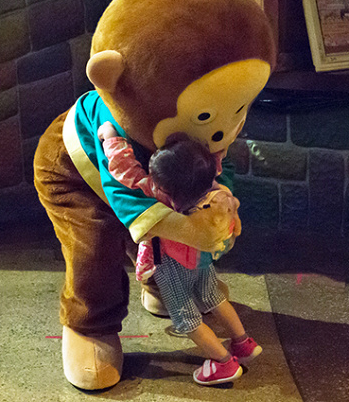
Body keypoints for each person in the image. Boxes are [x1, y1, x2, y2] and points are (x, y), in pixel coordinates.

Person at [98, 121, 261, 386]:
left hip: (171, 265)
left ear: (165, 188)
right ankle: (242, 343)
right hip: (203, 259)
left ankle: (223, 363)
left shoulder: (162, 196)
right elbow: (217, 156)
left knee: (187, 319)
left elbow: (126, 172)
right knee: (213, 297)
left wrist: (110, 138)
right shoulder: (214, 186)